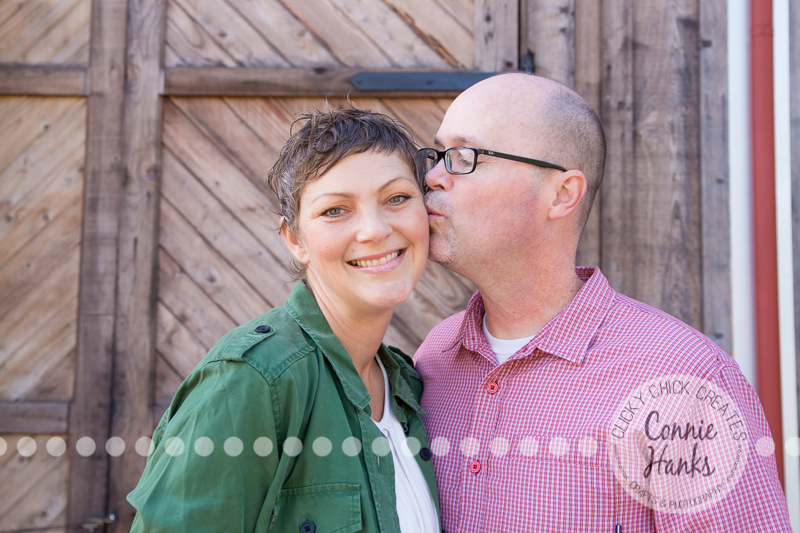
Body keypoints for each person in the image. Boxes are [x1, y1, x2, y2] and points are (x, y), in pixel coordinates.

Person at [413, 73, 792, 531]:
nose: (432, 177)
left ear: (562, 194)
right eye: (437, 155)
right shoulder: (435, 359)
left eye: (464, 157)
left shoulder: (685, 384)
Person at [128, 108, 440, 532]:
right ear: (295, 240)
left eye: (397, 199)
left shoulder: (411, 386)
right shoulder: (253, 379)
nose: (374, 229)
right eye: (335, 210)